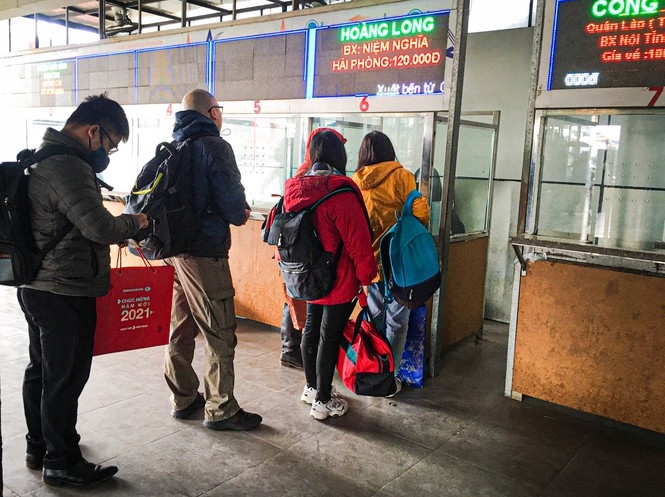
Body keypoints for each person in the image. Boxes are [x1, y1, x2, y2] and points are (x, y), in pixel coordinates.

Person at [16, 93, 149, 486]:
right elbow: (101, 228)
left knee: (43, 370)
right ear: (93, 131)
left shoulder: (45, 158)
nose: (110, 151)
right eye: (111, 143)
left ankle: (41, 444)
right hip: (64, 290)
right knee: (65, 376)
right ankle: (62, 461)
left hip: (41, 285)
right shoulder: (68, 168)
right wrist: (136, 223)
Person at [163, 89, 262, 431]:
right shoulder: (214, 146)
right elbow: (234, 207)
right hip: (205, 254)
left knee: (181, 328)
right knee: (220, 332)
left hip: (176, 255)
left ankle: (184, 398)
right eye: (219, 109)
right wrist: (241, 211)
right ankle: (221, 409)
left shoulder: (173, 146)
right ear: (212, 112)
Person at [282, 130, 377, 420]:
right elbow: (359, 243)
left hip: (305, 274)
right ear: (339, 155)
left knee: (311, 328)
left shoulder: (295, 186)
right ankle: (323, 401)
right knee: (329, 335)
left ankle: (312, 387)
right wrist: (367, 278)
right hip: (337, 278)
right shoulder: (341, 190)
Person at [351, 131, 431, 387]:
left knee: (374, 318)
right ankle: (390, 376)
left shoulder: (354, 181)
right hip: (398, 261)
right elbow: (420, 213)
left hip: (368, 262)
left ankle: (373, 369)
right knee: (397, 321)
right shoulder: (402, 176)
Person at [278, 127, 348, 370]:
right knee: (303, 307)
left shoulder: (300, 175)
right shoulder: (328, 179)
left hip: (292, 254)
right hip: (312, 256)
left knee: (297, 300)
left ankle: (291, 351)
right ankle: (291, 351)